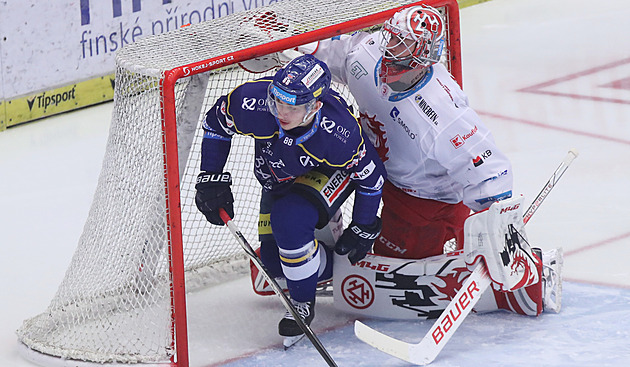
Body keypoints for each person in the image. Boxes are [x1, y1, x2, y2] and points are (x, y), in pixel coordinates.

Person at [304, 4, 562, 315]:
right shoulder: (368, 53)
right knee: (306, 184)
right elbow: (332, 51)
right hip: (367, 163)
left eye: (404, 42)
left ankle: (525, 282)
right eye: (392, 37)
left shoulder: (443, 111)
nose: (391, 46)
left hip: (425, 199)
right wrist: (281, 49)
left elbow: (489, 171)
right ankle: (307, 257)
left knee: (396, 279)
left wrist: (496, 234)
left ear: (424, 51)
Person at [195, 54, 386, 346]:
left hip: (328, 172)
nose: (280, 112)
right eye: (277, 101)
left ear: (315, 107)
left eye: (292, 106)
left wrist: (363, 225)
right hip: (279, 178)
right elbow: (216, 122)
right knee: (274, 264)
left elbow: (371, 179)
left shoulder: (338, 134)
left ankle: (302, 303)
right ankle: (332, 264)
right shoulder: (253, 101)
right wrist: (211, 176)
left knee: (289, 220)